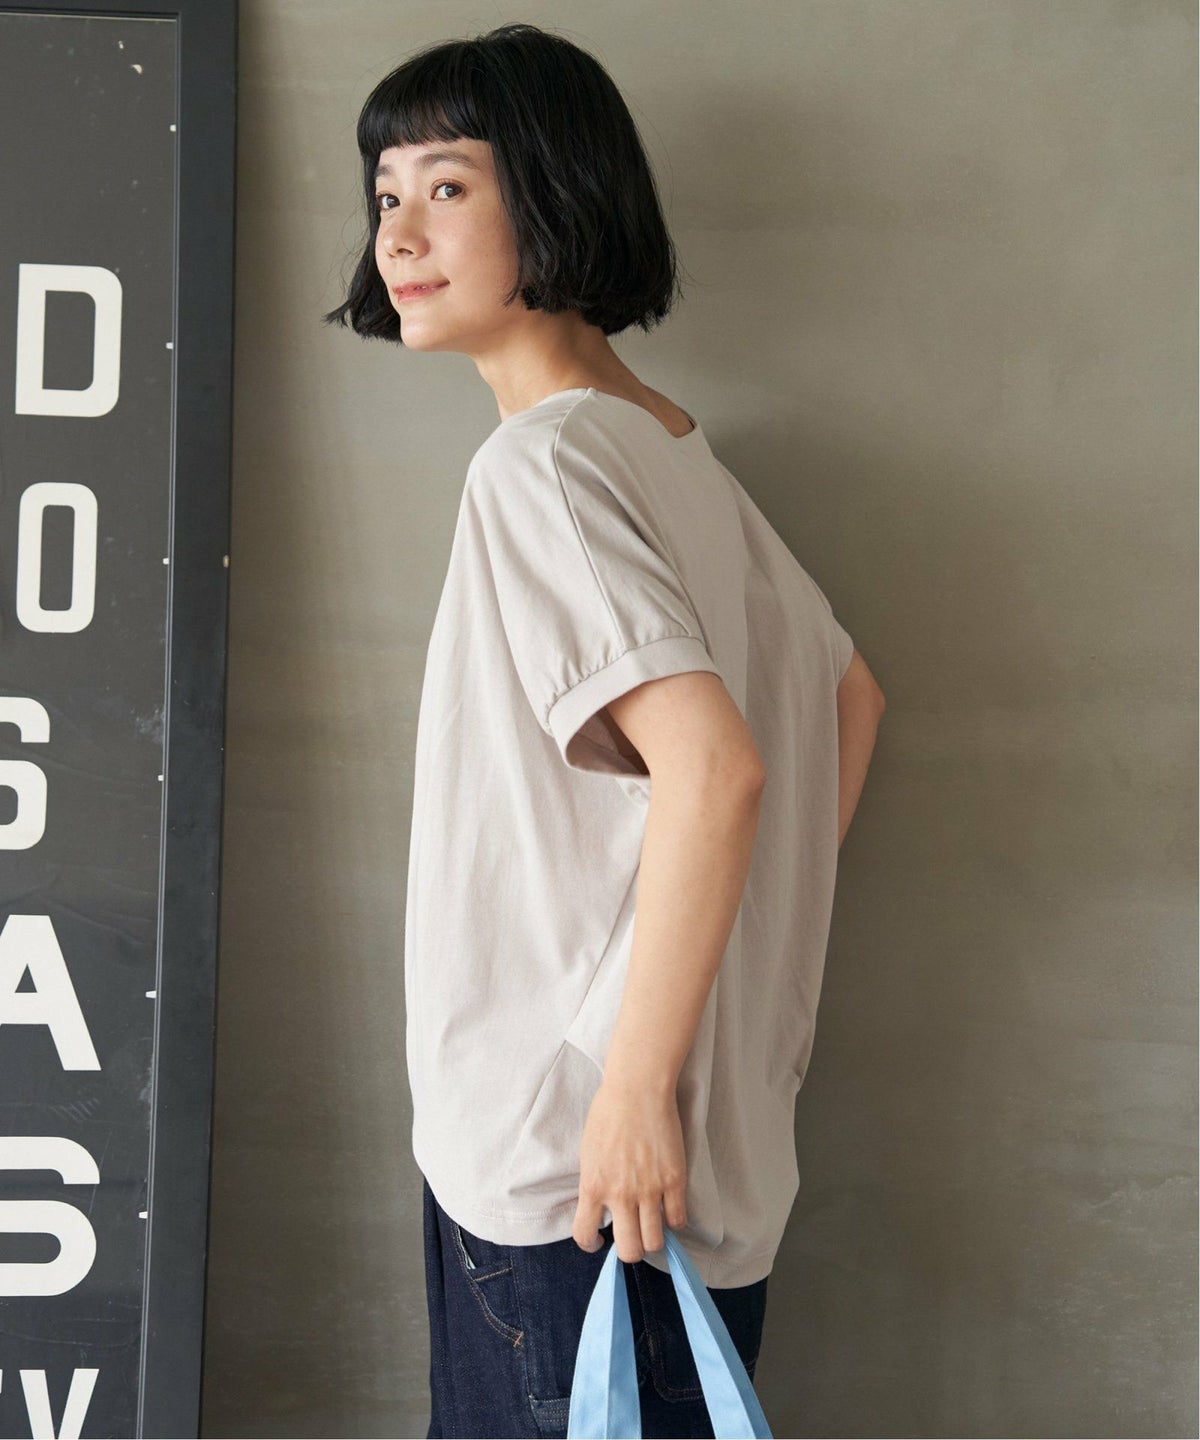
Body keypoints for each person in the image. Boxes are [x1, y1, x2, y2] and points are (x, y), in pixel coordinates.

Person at [324, 20, 885, 1439]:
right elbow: (849, 699)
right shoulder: (675, 453)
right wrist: (737, 981)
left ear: (557, 191)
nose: (399, 231)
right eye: (385, 192)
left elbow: (719, 767)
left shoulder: (544, 463)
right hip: (687, 1172)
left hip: (573, 1173)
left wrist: (631, 1087)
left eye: (448, 185)